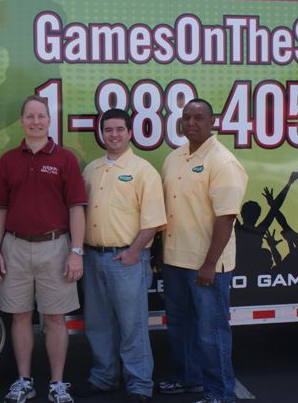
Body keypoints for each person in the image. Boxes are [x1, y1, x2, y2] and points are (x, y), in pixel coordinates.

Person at [0, 95, 87, 403]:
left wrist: (76, 252)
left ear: (49, 120)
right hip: (15, 247)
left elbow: (76, 209)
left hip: (55, 247)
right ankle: (24, 381)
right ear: (22, 121)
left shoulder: (65, 159)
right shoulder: (8, 160)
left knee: (56, 319)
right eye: (30, 117)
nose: (35, 122)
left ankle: (57, 383)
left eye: (40, 116)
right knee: (20, 317)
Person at [159, 99, 247, 403]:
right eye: (186, 118)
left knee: (211, 333)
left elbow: (226, 218)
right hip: (174, 260)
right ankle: (188, 379)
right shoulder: (174, 157)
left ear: (212, 122)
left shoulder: (222, 162)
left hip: (207, 264)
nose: (191, 123)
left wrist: (209, 264)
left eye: (198, 118)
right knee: (180, 327)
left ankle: (220, 394)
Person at [76, 109, 166, 402]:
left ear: (129, 133)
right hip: (93, 257)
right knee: (98, 324)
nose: (113, 135)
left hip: (126, 261)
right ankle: (104, 377)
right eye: (108, 130)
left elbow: (153, 221)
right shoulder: (92, 169)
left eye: (119, 129)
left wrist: (133, 253)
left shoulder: (143, 171)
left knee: (132, 326)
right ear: (101, 134)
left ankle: (139, 384)